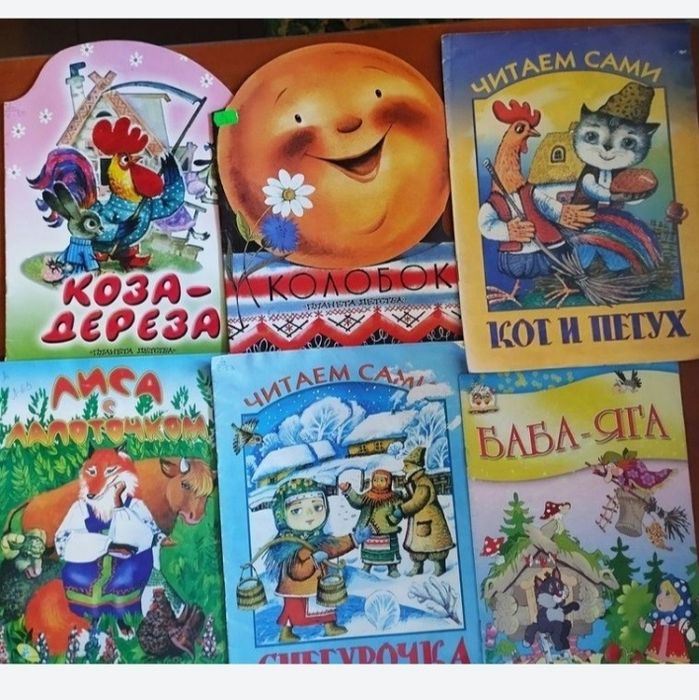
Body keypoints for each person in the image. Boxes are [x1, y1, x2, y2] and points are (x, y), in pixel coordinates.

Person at [264, 478, 371, 643]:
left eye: (317, 507)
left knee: (325, 604)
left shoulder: (318, 538)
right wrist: (313, 560)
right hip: (296, 589)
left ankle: (329, 626)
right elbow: (296, 572)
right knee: (293, 610)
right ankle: (286, 632)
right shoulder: (288, 546)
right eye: (297, 511)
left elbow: (334, 547)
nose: (310, 515)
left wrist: (354, 539)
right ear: (282, 515)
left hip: (319, 584)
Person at [386, 447, 454, 576]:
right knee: (418, 545)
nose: (404, 469)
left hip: (429, 519)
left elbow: (418, 501)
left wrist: (402, 510)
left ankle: (439, 567)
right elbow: (412, 495)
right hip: (420, 519)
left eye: (406, 466)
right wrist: (402, 496)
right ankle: (418, 566)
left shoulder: (423, 483)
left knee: (434, 545)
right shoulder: (415, 481)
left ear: (415, 467)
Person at [339, 469, 404, 577]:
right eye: (375, 480)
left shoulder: (394, 498)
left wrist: (395, 517)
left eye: (382, 480)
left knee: (389, 551)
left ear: (388, 482)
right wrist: (348, 491)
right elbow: (357, 501)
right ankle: (367, 566)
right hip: (369, 530)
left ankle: (392, 568)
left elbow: (399, 511)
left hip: (387, 530)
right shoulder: (368, 496)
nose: (378, 483)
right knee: (369, 550)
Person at [640, 574, 697, 663]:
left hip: (674, 651)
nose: (660, 598)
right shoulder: (659, 619)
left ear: (679, 600)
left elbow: (688, 630)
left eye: (667, 594)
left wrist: (692, 640)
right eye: (660, 592)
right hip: (658, 649)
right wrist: (644, 626)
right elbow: (652, 628)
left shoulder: (680, 621)